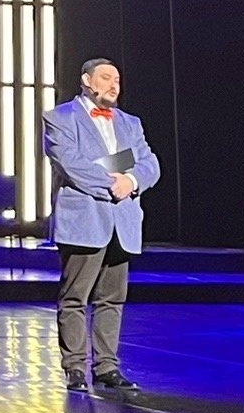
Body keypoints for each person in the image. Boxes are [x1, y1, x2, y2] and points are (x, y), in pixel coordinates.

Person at [43, 57, 161, 395]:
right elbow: (72, 165)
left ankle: (107, 367)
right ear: (86, 80)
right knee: (75, 297)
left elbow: (149, 163)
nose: (113, 85)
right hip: (85, 218)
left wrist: (132, 181)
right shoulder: (61, 118)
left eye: (117, 80)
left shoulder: (130, 123)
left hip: (122, 220)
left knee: (112, 299)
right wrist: (114, 183)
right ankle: (75, 368)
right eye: (106, 78)